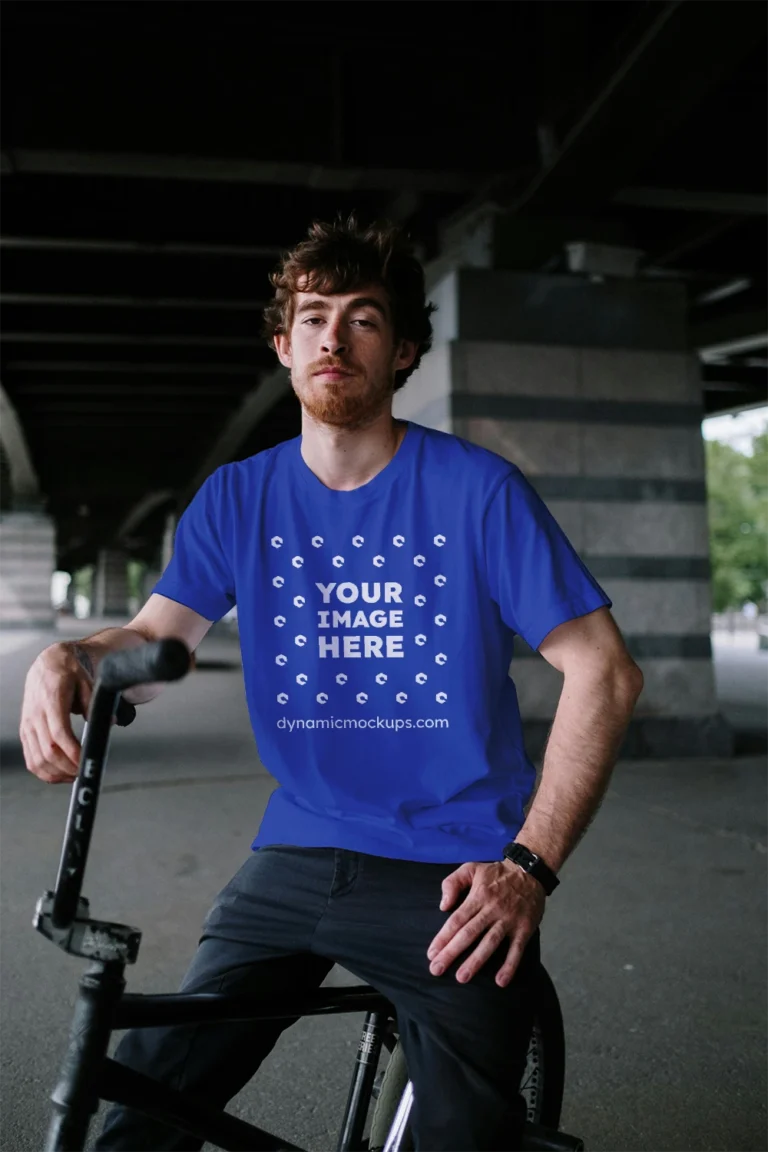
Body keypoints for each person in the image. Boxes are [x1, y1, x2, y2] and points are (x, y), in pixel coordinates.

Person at [21, 216, 644, 1151]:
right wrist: (67, 658)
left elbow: (605, 670)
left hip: (456, 866)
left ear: (403, 352)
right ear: (284, 345)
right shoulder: (239, 497)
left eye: (362, 319)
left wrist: (528, 868)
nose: (332, 337)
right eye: (313, 317)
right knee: (142, 1099)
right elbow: (158, 644)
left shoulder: (477, 492)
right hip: (300, 849)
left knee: (462, 1136)